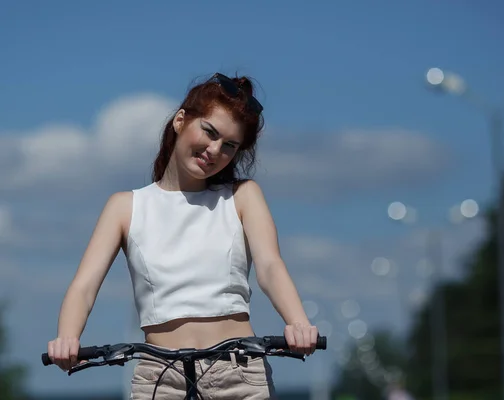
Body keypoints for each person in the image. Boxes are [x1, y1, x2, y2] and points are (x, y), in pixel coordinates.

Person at [46, 72, 319, 399]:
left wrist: (298, 322)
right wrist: (67, 337)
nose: (215, 150)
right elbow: (85, 285)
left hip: (238, 373)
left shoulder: (242, 196)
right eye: (209, 132)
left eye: (229, 146)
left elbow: (271, 267)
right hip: (159, 378)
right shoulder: (125, 207)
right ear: (180, 121)